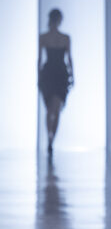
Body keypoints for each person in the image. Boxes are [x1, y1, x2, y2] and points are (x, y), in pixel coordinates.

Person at [38, 8, 73, 155]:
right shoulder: (49, 37)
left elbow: (69, 58)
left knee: (55, 109)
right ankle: (50, 138)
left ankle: (51, 139)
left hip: (55, 74)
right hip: (54, 74)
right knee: (52, 109)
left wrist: (72, 75)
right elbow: (39, 58)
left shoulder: (59, 38)